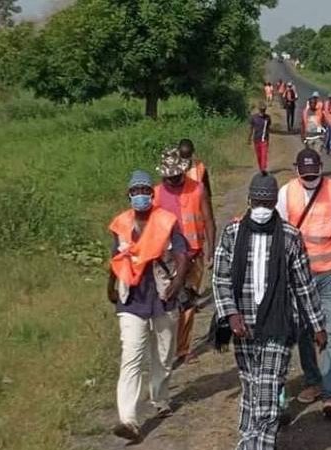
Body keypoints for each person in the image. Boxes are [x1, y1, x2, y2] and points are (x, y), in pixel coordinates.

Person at [213, 173, 327, 450]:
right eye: (258, 201)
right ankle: (248, 440)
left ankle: (256, 446)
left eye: (268, 202)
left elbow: (304, 285)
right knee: (252, 387)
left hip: (278, 324)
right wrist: (231, 314)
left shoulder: (290, 236)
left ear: (275, 202)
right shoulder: (232, 233)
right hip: (243, 326)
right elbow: (220, 278)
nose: (262, 208)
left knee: (267, 392)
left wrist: (317, 325)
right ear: (249, 200)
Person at [107, 170, 189, 443]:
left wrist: (178, 283)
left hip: (163, 293)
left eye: (144, 190)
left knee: (164, 353)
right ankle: (127, 419)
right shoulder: (121, 224)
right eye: (135, 191)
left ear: (152, 195)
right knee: (132, 356)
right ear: (129, 195)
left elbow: (181, 253)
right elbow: (115, 260)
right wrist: (111, 288)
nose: (140, 195)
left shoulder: (166, 221)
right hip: (131, 299)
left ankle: (160, 396)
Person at [276, 148, 331, 417]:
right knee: (303, 330)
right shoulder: (286, 193)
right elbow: (279, 235)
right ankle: (313, 380)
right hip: (299, 276)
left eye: (314, 173)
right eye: (305, 174)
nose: (310, 178)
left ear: (321, 168)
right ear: (297, 170)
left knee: (330, 329)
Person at [153, 148, 217, 365]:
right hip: (166, 259)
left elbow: (209, 219)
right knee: (168, 302)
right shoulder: (157, 194)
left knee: (188, 301)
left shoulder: (197, 189)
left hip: (194, 254)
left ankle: (182, 348)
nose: (172, 180)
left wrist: (211, 250)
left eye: (176, 176)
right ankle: (166, 344)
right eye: (168, 177)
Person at [249, 102, 272, 173]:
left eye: (264, 110)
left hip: (264, 139)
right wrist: (249, 138)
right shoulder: (254, 118)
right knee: (259, 155)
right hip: (256, 139)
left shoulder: (268, 118)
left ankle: (263, 168)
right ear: (259, 110)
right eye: (261, 110)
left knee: (264, 154)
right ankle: (261, 168)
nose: (263, 111)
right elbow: (251, 128)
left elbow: (268, 127)